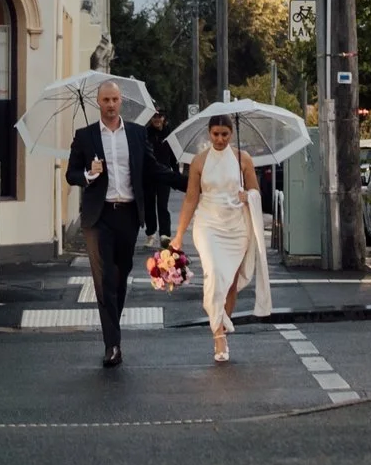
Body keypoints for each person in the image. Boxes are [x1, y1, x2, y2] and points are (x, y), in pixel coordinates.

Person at [64, 82, 155, 368]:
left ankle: (113, 331)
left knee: (120, 276)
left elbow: (152, 168)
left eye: (115, 99)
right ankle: (112, 344)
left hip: (128, 214)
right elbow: (71, 174)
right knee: (104, 280)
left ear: (121, 101)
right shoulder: (85, 136)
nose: (111, 104)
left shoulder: (137, 133)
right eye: (106, 99)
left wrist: (188, 182)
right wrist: (88, 175)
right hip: (98, 216)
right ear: (98, 102)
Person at [171, 115, 270, 363]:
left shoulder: (243, 159)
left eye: (224, 134)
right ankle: (218, 335)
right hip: (207, 224)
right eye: (215, 134)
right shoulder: (199, 161)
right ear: (209, 133)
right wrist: (179, 235)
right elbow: (191, 198)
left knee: (231, 282)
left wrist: (248, 195)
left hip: (236, 226)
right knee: (214, 273)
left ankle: (222, 326)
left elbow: (256, 192)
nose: (220, 139)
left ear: (231, 134)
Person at [141, 110, 180, 243]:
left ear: (164, 118)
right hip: (149, 174)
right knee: (149, 205)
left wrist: (176, 176)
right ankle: (151, 233)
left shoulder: (170, 134)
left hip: (165, 174)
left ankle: (165, 235)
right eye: (154, 117)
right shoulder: (145, 133)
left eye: (160, 116)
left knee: (163, 205)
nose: (157, 119)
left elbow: (174, 156)